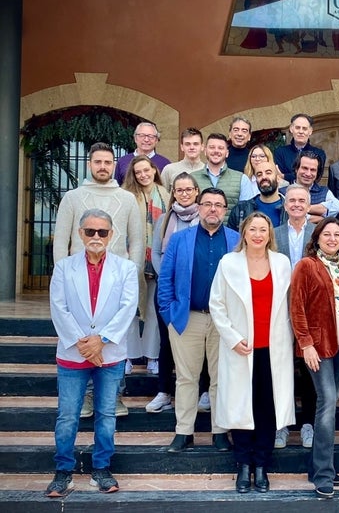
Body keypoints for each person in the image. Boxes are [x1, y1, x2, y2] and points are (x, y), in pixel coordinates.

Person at [46, 209, 138, 497]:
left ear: (111, 235)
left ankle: (101, 469)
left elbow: (127, 308)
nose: (96, 237)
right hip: (73, 354)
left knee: (106, 414)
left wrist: (102, 340)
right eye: (90, 231)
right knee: (68, 416)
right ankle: (63, 472)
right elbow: (58, 308)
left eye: (102, 232)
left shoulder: (125, 269)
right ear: (80, 234)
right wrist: (84, 344)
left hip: (109, 354)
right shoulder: (64, 267)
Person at [53, 142, 143, 419]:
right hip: (79, 283)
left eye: (107, 162)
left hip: (116, 281)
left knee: (114, 340)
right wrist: (62, 277)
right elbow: (60, 240)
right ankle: (87, 397)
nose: (103, 167)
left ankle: (113, 394)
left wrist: (133, 275)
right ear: (89, 165)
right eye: (97, 162)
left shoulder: (127, 198)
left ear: (115, 165)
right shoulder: (72, 197)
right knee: (81, 335)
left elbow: (137, 240)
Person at [209, 212, 296, 494]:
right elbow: (216, 305)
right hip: (241, 348)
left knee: (266, 409)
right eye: (253, 229)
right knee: (241, 408)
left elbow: (291, 305)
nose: (258, 234)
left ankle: (261, 465)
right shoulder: (228, 263)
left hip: (274, 349)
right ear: (244, 233)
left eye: (263, 229)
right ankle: (243, 466)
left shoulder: (282, 264)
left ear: (269, 234)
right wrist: (232, 338)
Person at [157, 187, 239, 453]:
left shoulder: (237, 241)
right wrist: (169, 313)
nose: (213, 209)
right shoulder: (181, 239)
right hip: (187, 318)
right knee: (186, 378)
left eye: (218, 204)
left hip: (223, 322)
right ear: (199, 207)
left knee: (221, 378)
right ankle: (184, 432)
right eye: (207, 204)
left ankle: (219, 432)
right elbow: (165, 279)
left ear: (225, 211)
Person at [290, 217, 339, 498]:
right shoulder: (306, 266)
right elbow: (296, 308)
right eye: (327, 234)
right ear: (317, 238)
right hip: (318, 347)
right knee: (328, 402)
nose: (332, 239)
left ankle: (321, 466)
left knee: (329, 405)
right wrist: (305, 344)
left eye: (337, 235)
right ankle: (323, 472)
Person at [146, 173, 205, 414]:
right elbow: (157, 253)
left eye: (188, 189)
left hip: (198, 290)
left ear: (196, 191)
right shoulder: (165, 219)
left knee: (199, 341)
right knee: (167, 340)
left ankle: (203, 391)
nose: (184, 194)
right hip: (169, 290)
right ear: (173, 193)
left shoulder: (205, 217)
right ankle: (163, 392)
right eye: (179, 190)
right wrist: (169, 276)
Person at [272, 184, 316, 449]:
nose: (297, 204)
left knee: (310, 370)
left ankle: (308, 424)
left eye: (302, 200)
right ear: (285, 205)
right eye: (292, 200)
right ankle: (282, 425)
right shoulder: (274, 235)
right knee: (281, 369)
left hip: (311, 313)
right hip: (279, 311)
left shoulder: (318, 233)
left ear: (309, 205)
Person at [121, 155, 170, 375]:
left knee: (153, 309)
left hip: (157, 260)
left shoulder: (166, 194)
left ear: (154, 169)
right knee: (130, 309)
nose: (143, 175)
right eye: (138, 172)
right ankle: (129, 355)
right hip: (132, 260)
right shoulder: (126, 196)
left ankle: (152, 356)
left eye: (146, 170)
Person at [192, 133, 256, 223]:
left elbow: (248, 214)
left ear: (227, 153)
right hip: (198, 233)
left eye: (220, 148)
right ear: (205, 151)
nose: (216, 151)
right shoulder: (192, 178)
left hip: (231, 235)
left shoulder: (241, 179)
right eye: (212, 147)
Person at [228, 160, 287, 232]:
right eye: (259, 174)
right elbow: (232, 239)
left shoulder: (289, 210)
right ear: (256, 180)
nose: (264, 177)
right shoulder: (241, 209)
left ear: (278, 178)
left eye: (268, 173)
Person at [290, 150, 339, 224]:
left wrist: (305, 209)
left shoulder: (324, 192)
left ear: (317, 173)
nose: (308, 173)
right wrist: (321, 219)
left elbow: (336, 208)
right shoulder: (284, 192)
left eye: (313, 170)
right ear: (296, 169)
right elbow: (289, 218)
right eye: (305, 168)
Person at [274, 114, 327, 183]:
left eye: (304, 128)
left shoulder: (319, 153)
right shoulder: (280, 152)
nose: (301, 132)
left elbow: (316, 177)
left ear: (310, 131)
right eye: (297, 128)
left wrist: (285, 176)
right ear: (291, 129)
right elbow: (279, 177)